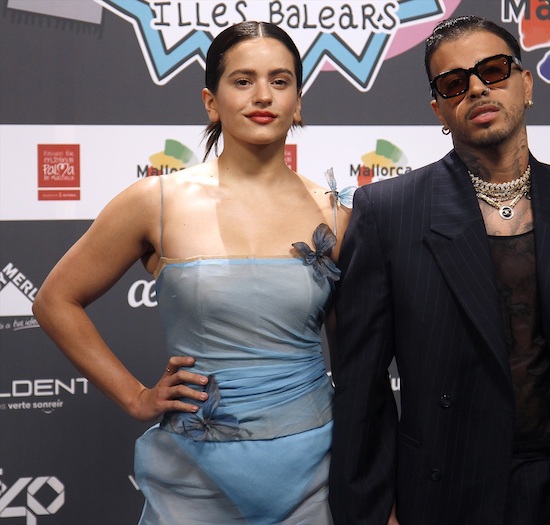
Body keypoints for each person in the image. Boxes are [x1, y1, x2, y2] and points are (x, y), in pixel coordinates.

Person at [329, 15, 550, 525]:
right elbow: (360, 385)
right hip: (443, 496)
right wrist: (374, 509)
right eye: (454, 83)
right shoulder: (389, 211)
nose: (476, 87)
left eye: (493, 70)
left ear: (526, 84)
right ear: (439, 108)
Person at [33, 21, 349, 524]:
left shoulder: (336, 212)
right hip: (194, 479)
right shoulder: (154, 201)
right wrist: (137, 397)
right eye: (242, 81)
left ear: (299, 100)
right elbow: (54, 301)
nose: (262, 95)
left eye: (280, 80)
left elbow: (356, 352)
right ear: (211, 101)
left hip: (315, 468)